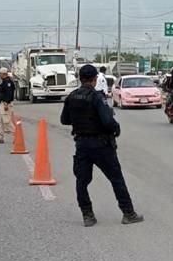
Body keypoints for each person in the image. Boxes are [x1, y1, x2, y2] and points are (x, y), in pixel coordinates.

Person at [60, 64, 144, 227]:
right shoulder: (97, 97)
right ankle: (128, 213)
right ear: (94, 79)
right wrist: (115, 128)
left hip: (82, 144)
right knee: (116, 179)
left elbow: (64, 120)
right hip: (101, 144)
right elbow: (107, 121)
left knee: (82, 181)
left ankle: (87, 215)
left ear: (80, 78)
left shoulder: (72, 96)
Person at [0, 68, 16, 144]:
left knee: (7, 121)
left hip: (6, 103)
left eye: (0, 74)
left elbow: (9, 94)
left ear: (3, 74)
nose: (0, 75)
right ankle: (0, 138)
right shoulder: (3, 82)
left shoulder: (8, 83)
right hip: (1, 103)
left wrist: (6, 103)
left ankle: (17, 136)